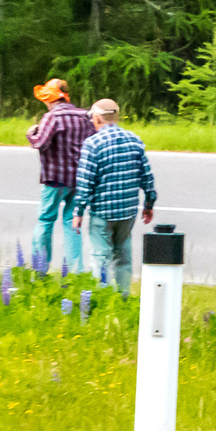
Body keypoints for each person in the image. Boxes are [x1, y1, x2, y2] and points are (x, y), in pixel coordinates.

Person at [69, 99, 157, 291]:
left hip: (102, 212)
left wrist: (78, 212)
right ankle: (123, 298)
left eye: (93, 117)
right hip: (128, 211)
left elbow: (85, 182)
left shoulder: (93, 144)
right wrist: (149, 204)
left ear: (98, 118)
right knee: (123, 257)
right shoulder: (134, 140)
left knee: (100, 257)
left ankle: (101, 300)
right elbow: (147, 176)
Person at [26, 79, 93, 274]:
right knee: (72, 222)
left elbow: (40, 144)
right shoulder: (84, 116)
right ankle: (76, 271)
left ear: (50, 98)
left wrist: (31, 134)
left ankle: (40, 270)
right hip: (79, 180)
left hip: (54, 180)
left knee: (46, 220)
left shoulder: (51, 117)